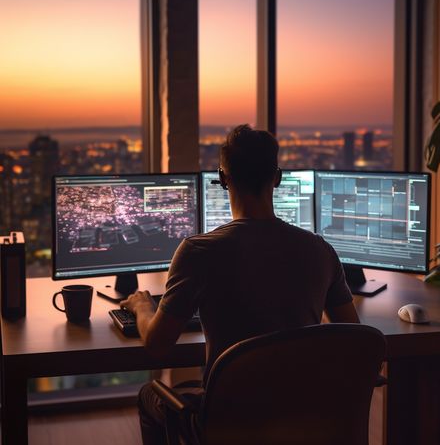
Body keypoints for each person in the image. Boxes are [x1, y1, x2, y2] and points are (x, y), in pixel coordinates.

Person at [121, 124, 359, 444]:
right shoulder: (320, 249)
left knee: (150, 394)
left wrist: (141, 305)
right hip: (302, 417)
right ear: (277, 178)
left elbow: (158, 345)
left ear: (222, 177)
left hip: (227, 423)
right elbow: (351, 336)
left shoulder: (198, 251)